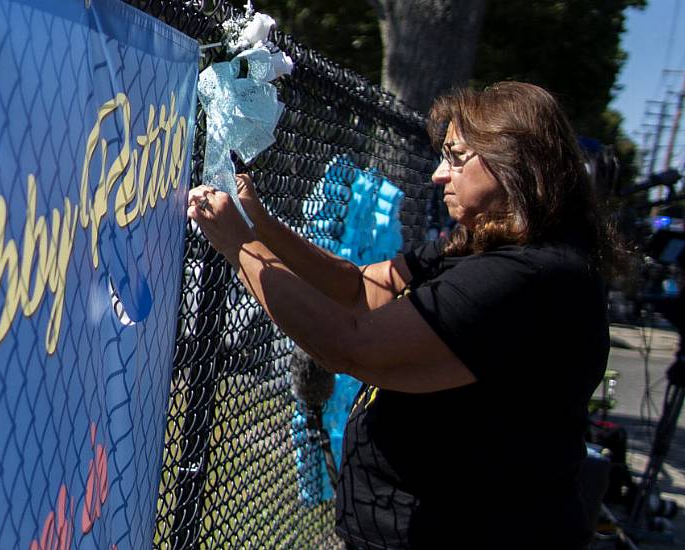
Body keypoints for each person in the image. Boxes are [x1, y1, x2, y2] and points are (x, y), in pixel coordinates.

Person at [187, 81, 612, 549]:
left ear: (516, 162)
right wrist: (259, 224)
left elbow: (352, 344)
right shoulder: (478, 245)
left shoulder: (529, 278)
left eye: (455, 157)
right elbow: (358, 289)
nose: (437, 175)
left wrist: (238, 248)